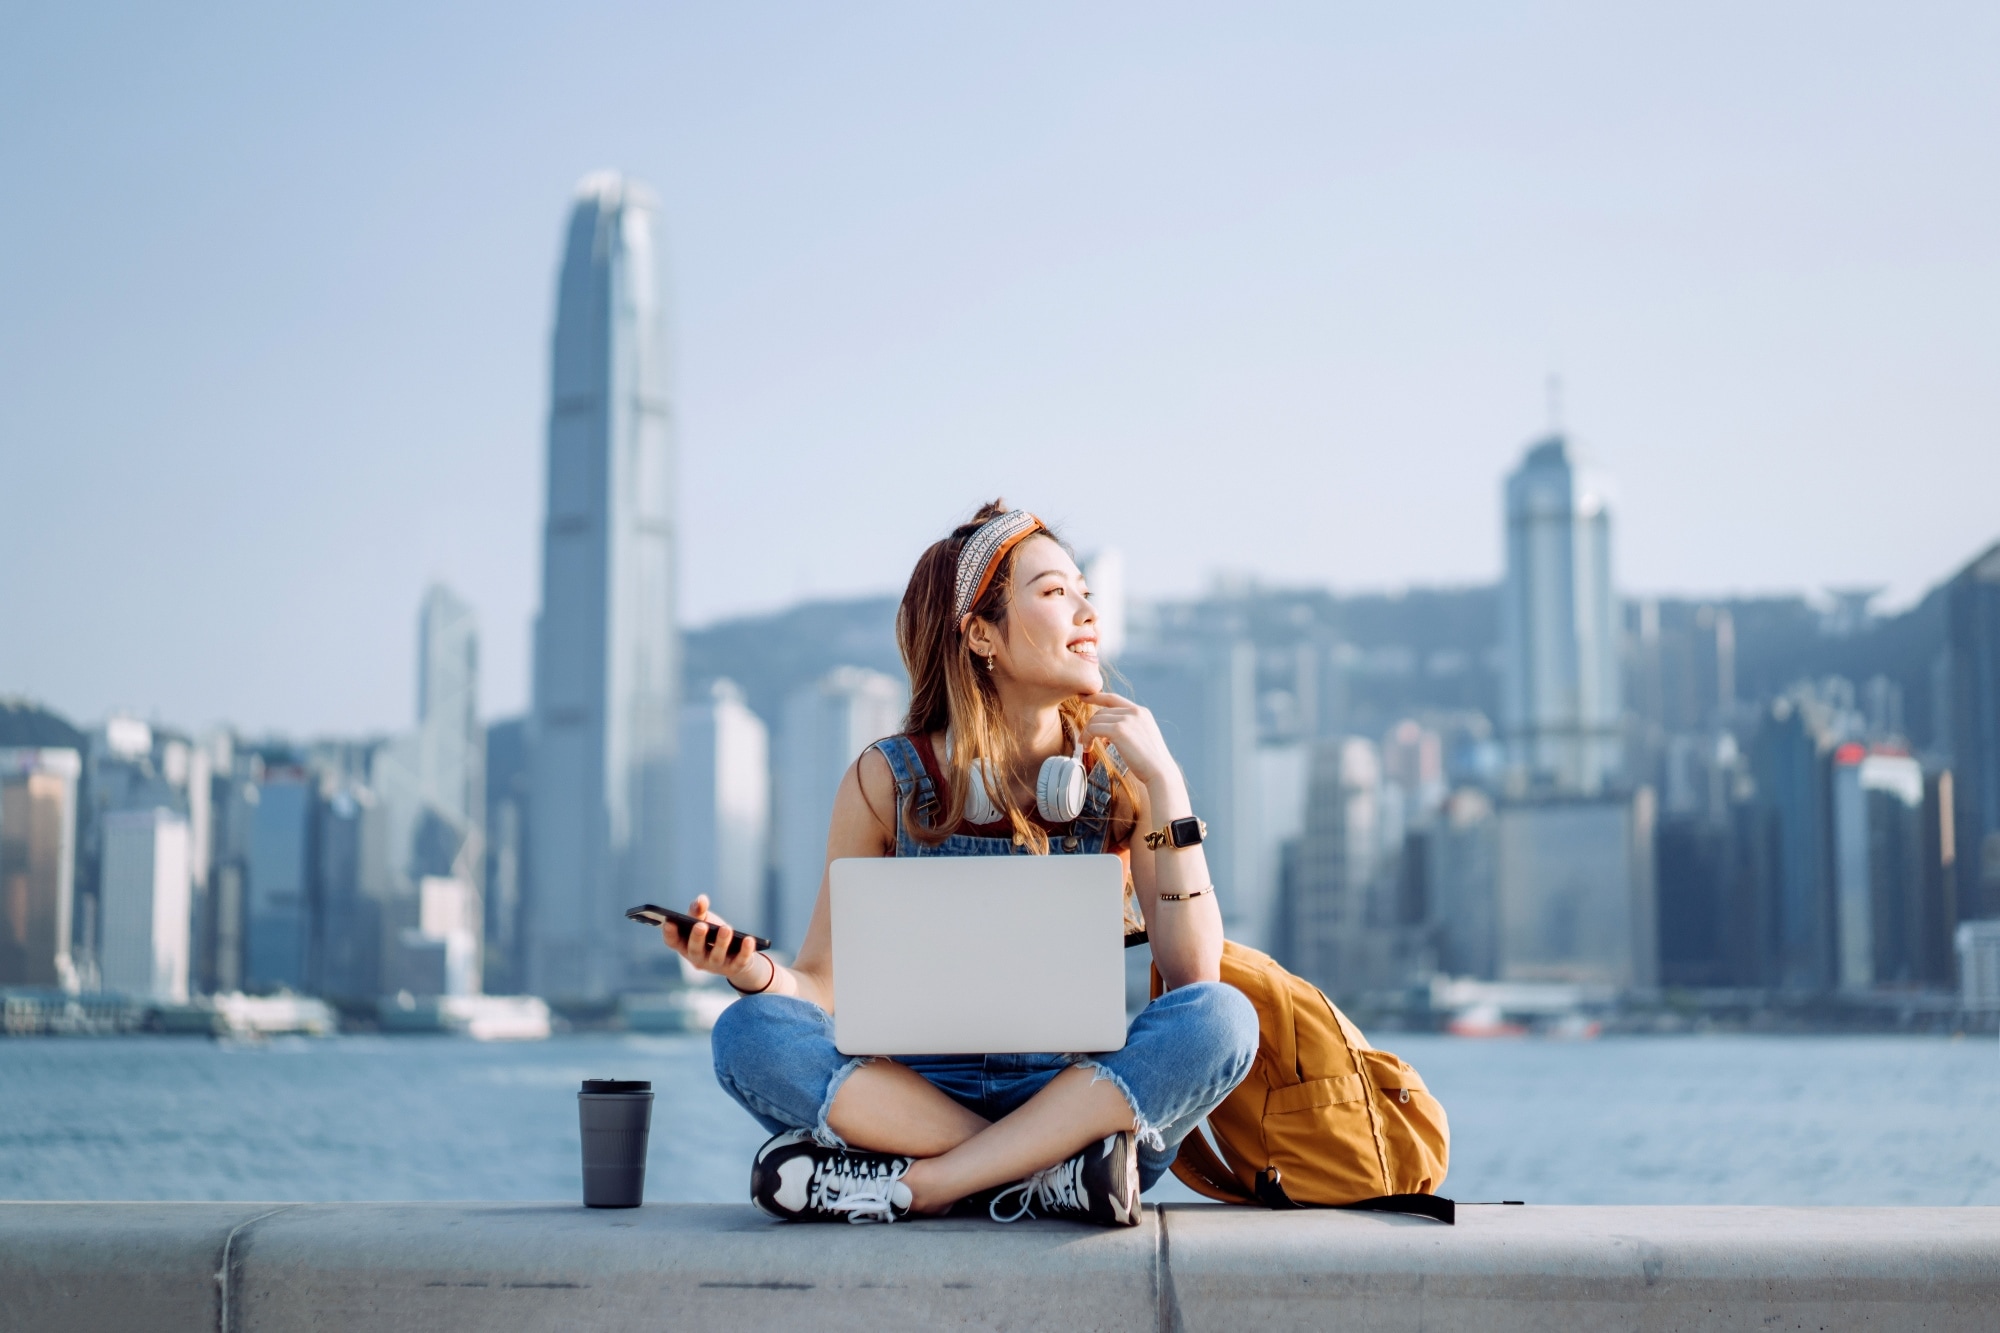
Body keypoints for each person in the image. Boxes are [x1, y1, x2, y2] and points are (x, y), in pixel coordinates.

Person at [661, 502, 1258, 1226]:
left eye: (1084, 592)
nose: (1086, 611)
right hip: (911, 1099)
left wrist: (1167, 783)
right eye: (1053, 592)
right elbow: (819, 984)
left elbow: (1195, 973)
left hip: (1074, 1091)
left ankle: (924, 1186)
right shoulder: (886, 779)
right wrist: (751, 972)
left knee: (1222, 1018)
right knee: (745, 1032)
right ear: (981, 633)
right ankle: (1049, 1179)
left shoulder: (1120, 776)